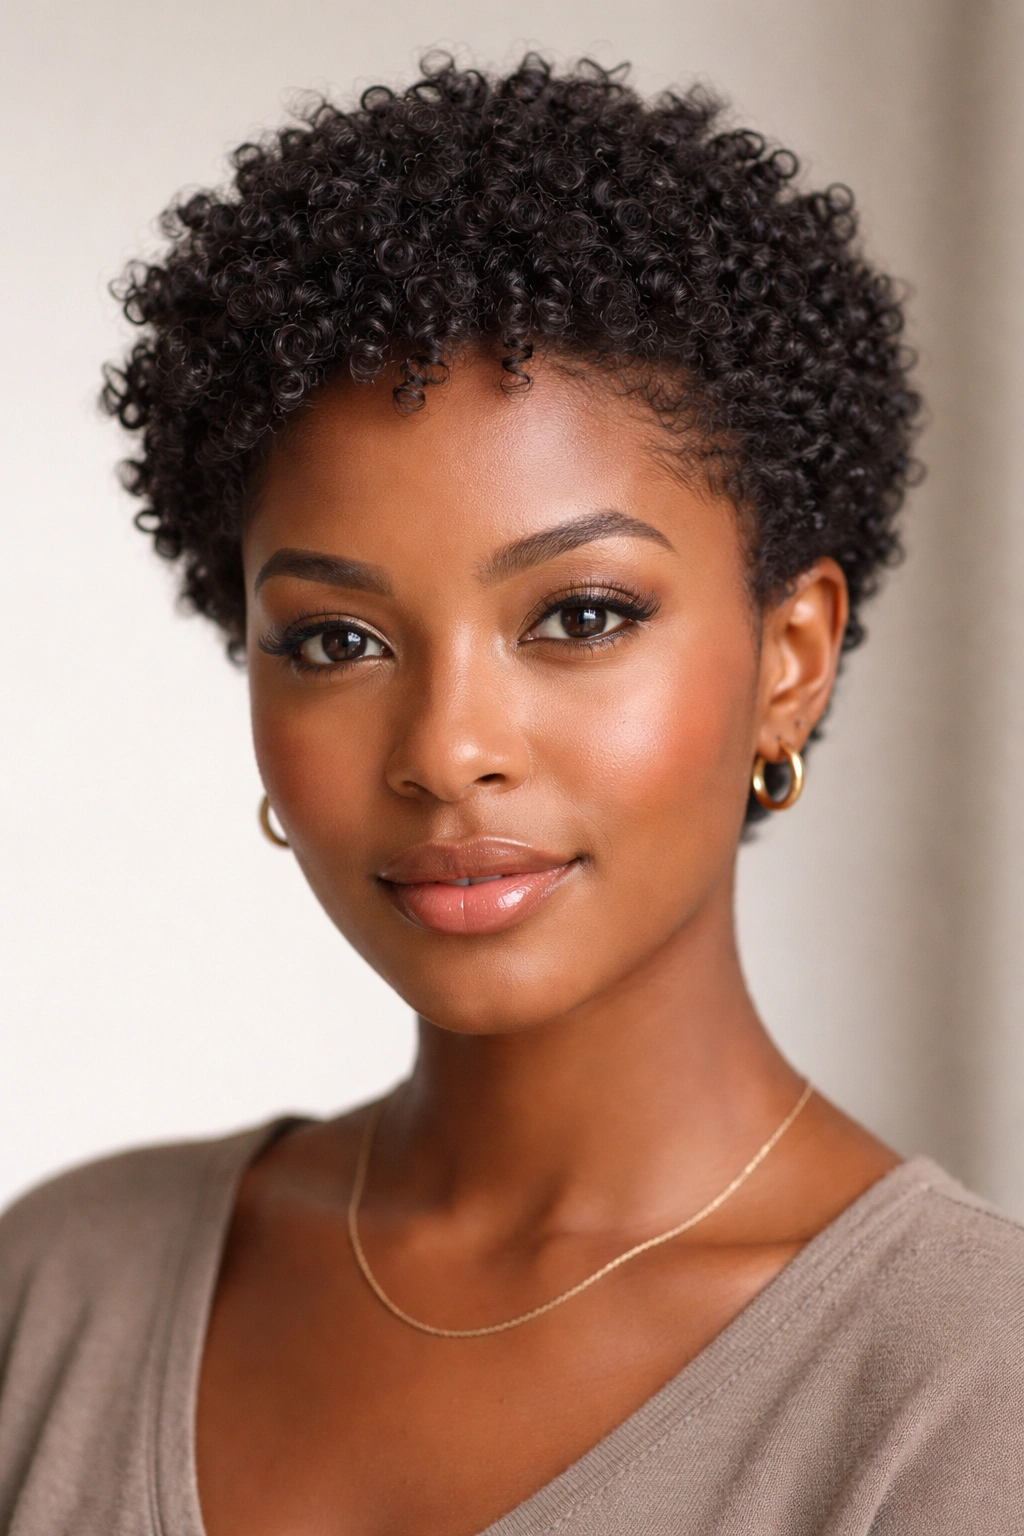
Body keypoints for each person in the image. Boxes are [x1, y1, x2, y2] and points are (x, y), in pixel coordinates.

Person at [2, 53, 1023, 1536]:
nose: (447, 747)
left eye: (582, 615)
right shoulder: (60, 1296)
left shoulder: (963, 1391)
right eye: (337, 641)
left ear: (788, 657)